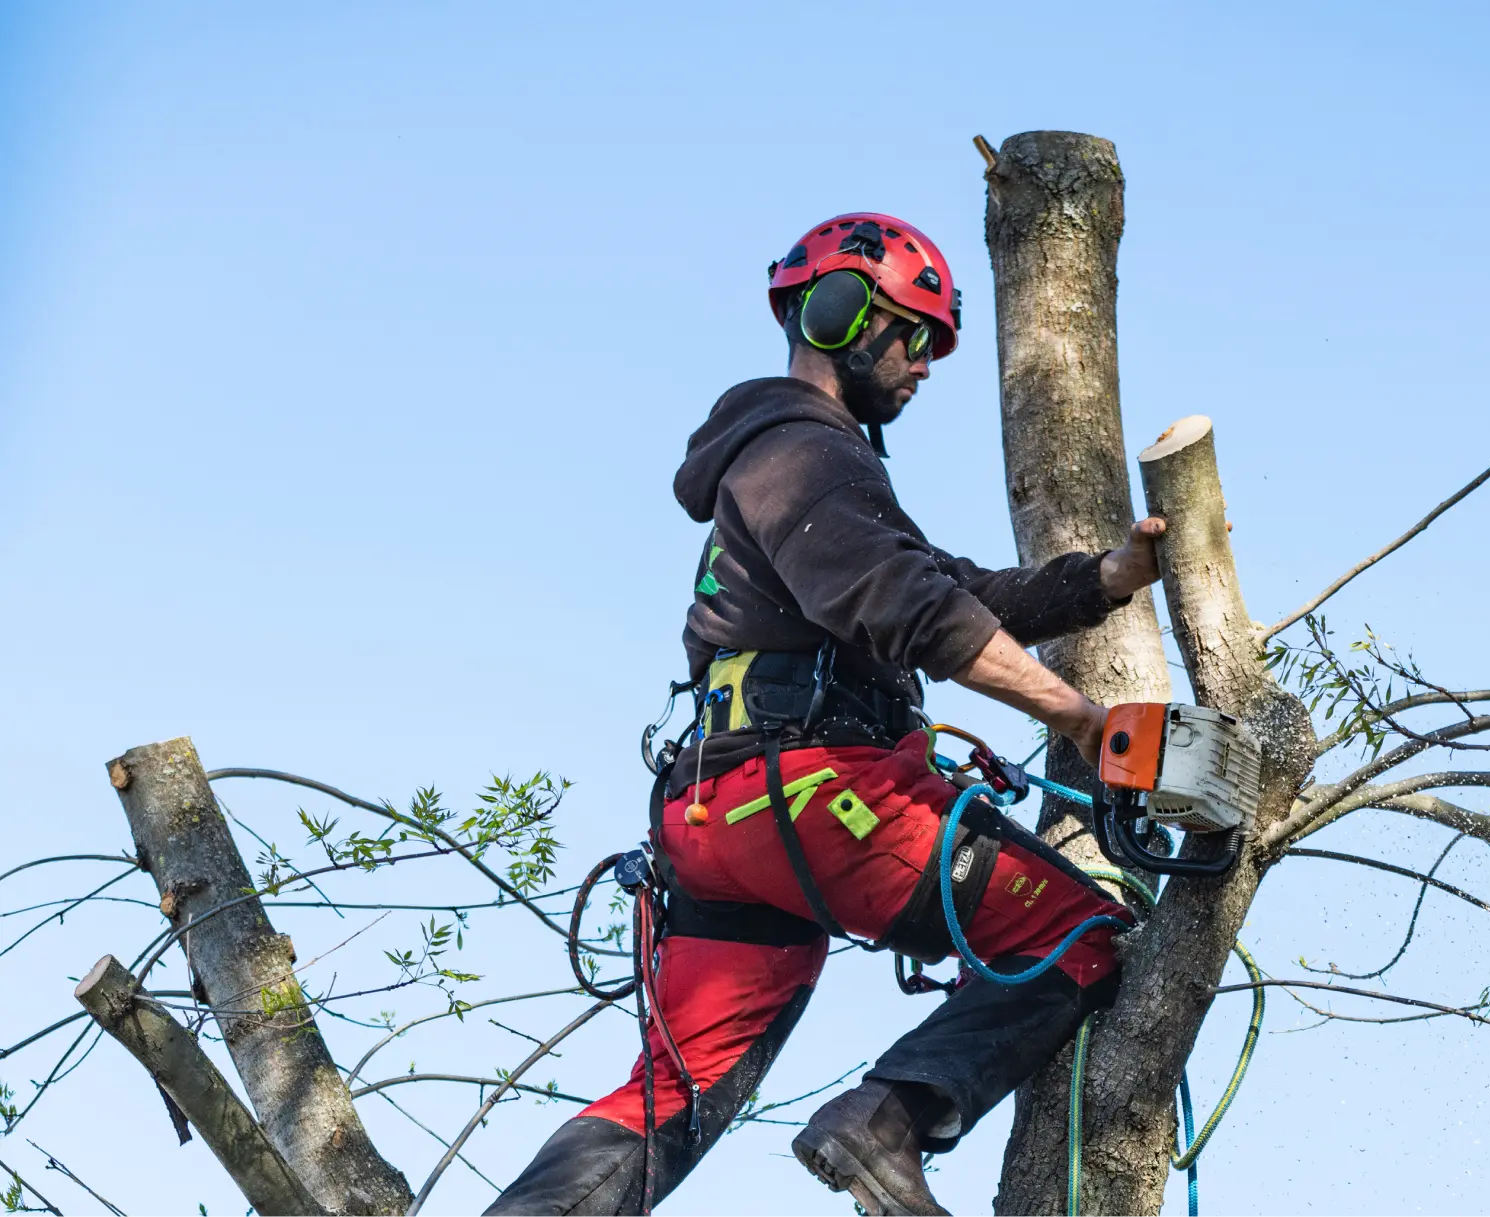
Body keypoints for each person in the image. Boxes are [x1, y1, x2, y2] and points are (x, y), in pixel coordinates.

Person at [485, 213, 1166, 1217]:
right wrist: (1076, 715)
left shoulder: (790, 463)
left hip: (721, 818)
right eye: (914, 333)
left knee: (674, 1088)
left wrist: (1098, 579)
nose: (925, 365)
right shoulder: (802, 452)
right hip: (822, 796)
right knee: (1079, 928)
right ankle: (883, 1122)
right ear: (840, 313)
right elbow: (907, 606)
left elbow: (945, 583)